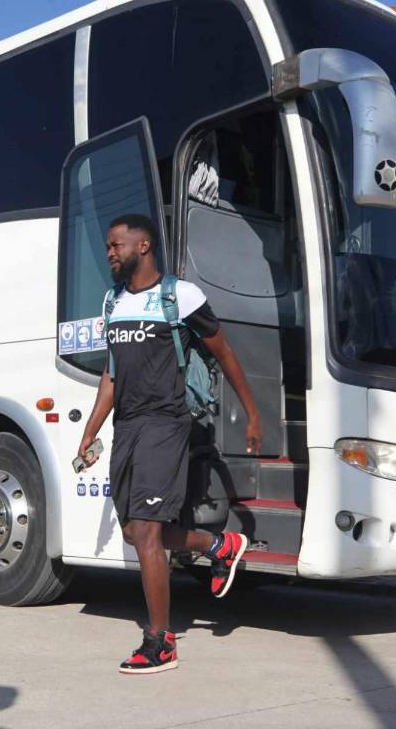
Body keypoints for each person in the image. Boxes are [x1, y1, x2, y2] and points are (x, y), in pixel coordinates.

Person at [77, 213, 263, 675]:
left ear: (143, 246)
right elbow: (111, 374)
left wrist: (253, 413)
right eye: (107, 247)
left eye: (115, 245)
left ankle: (160, 642)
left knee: (146, 530)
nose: (110, 254)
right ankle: (219, 546)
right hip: (128, 426)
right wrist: (90, 430)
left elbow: (224, 351)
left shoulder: (181, 296)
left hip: (167, 422)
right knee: (134, 532)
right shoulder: (113, 302)